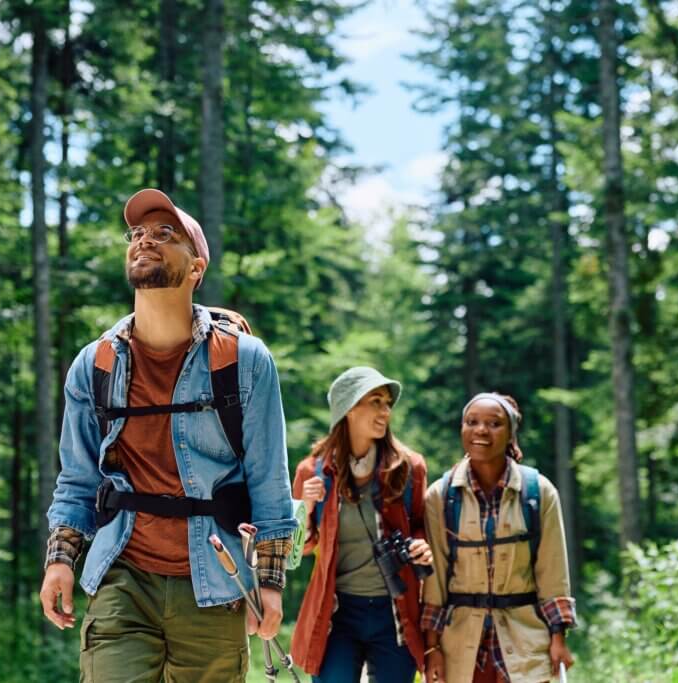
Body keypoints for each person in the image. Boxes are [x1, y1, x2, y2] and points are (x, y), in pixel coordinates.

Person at [39, 188, 297, 683]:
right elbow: (76, 480)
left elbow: (269, 481)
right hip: (122, 578)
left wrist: (269, 583)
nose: (145, 241)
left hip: (216, 586)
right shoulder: (94, 365)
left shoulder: (244, 361)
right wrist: (60, 561)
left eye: (165, 233)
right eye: (136, 234)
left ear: (196, 268)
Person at [422, 393, 576, 683]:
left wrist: (558, 638)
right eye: (472, 422)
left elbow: (553, 572)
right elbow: (435, 581)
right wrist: (432, 648)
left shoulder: (538, 493)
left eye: (494, 423)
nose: (481, 430)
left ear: (510, 435)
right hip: (461, 645)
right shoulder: (440, 497)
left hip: (524, 640)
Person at [291, 366, 432, 682]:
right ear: (350, 407)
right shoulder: (312, 471)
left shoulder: (410, 468)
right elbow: (297, 550)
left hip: (394, 611)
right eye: (376, 401)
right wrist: (306, 505)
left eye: (387, 404)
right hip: (337, 613)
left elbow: (422, 524)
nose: (386, 411)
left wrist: (421, 544)